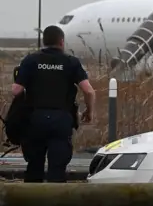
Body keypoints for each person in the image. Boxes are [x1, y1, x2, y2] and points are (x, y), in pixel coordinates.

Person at [11, 25, 96, 183]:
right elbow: (89, 91)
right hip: (61, 120)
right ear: (62, 42)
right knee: (57, 168)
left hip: (35, 119)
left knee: (34, 166)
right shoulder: (71, 62)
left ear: (44, 41)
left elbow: (16, 90)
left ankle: (31, 205)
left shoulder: (31, 60)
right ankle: (54, 205)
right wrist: (89, 112)